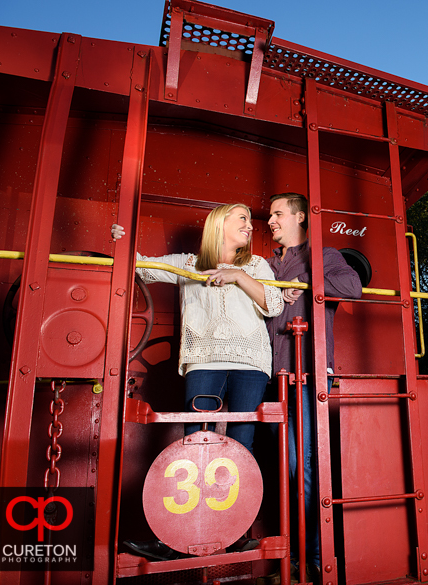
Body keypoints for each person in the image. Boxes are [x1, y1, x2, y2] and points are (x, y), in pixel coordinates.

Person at [113, 203, 284, 561]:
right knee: (195, 444)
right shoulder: (187, 263)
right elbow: (141, 265)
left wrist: (237, 277)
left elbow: (274, 304)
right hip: (203, 362)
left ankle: (234, 536)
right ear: (219, 223)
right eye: (241, 219)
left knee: (242, 446)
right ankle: (179, 538)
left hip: (250, 363)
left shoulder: (255, 266)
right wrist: (120, 242)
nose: (250, 226)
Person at [261, 192, 362, 583]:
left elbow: (353, 287)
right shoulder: (267, 264)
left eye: (277, 214)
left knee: (302, 465)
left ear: (300, 216)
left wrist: (301, 282)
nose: (270, 220)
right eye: (270, 215)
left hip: (308, 375)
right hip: (273, 377)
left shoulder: (322, 254)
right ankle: (299, 552)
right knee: (286, 467)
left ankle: (313, 556)